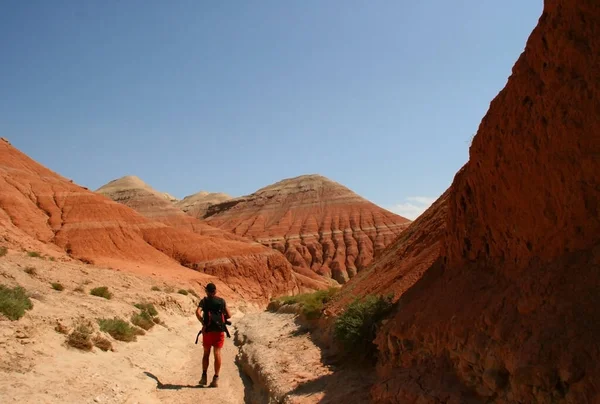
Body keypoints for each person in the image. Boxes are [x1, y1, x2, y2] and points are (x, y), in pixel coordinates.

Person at [195, 282, 231, 387]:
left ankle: (204, 377)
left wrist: (203, 322)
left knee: (206, 354)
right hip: (219, 331)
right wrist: (222, 319)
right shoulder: (221, 301)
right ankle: (215, 379)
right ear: (215, 291)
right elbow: (229, 314)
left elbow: (197, 312)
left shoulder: (204, 301)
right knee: (217, 353)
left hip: (207, 331)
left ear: (206, 291)